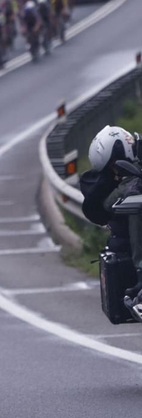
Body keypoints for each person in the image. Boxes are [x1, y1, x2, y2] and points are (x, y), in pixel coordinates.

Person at [82, 126, 141, 321]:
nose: (114, 172)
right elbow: (102, 206)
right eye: (112, 167)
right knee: (135, 202)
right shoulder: (128, 186)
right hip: (127, 241)